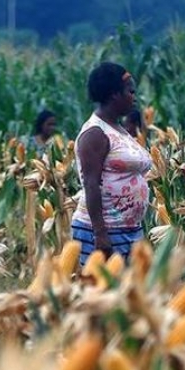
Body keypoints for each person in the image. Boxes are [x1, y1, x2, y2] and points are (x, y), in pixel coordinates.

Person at [72, 62, 152, 266]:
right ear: (114, 94)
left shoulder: (117, 128)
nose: (134, 97)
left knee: (131, 295)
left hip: (130, 229)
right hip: (104, 232)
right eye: (130, 91)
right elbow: (91, 184)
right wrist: (100, 234)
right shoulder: (95, 133)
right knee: (102, 295)